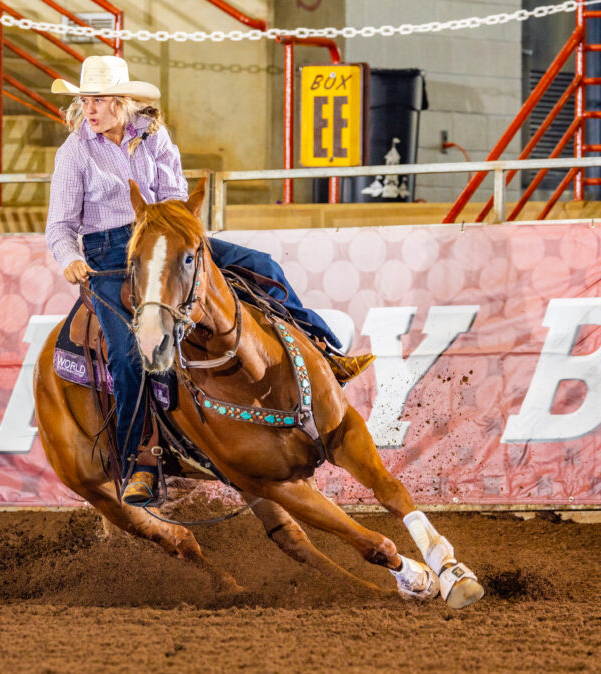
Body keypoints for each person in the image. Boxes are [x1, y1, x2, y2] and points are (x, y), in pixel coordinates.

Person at [45, 56, 373, 505]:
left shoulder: (154, 137)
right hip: (110, 260)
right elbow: (59, 227)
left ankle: (324, 351)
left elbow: (176, 196)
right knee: (126, 355)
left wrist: (177, 237)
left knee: (263, 267)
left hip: (167, 238)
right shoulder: (75, 152)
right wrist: (68, 258)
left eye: (99, 100)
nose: (90, 109)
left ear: (123, 103)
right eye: (85, 100)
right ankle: (139, 460)